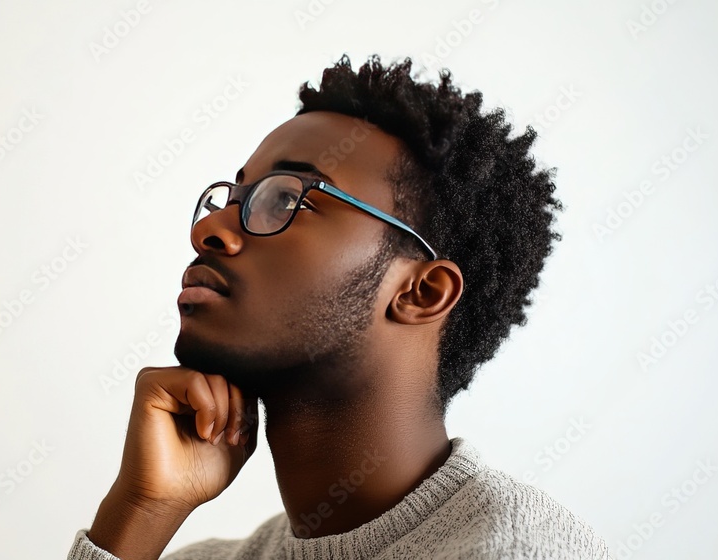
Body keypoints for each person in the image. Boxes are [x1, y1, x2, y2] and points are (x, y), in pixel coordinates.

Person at [66, 54, 611, 559]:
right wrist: (142, 510)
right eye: (231, 199)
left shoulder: (519, 550)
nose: (210, 229)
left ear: (421, 292)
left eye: (285, 198)